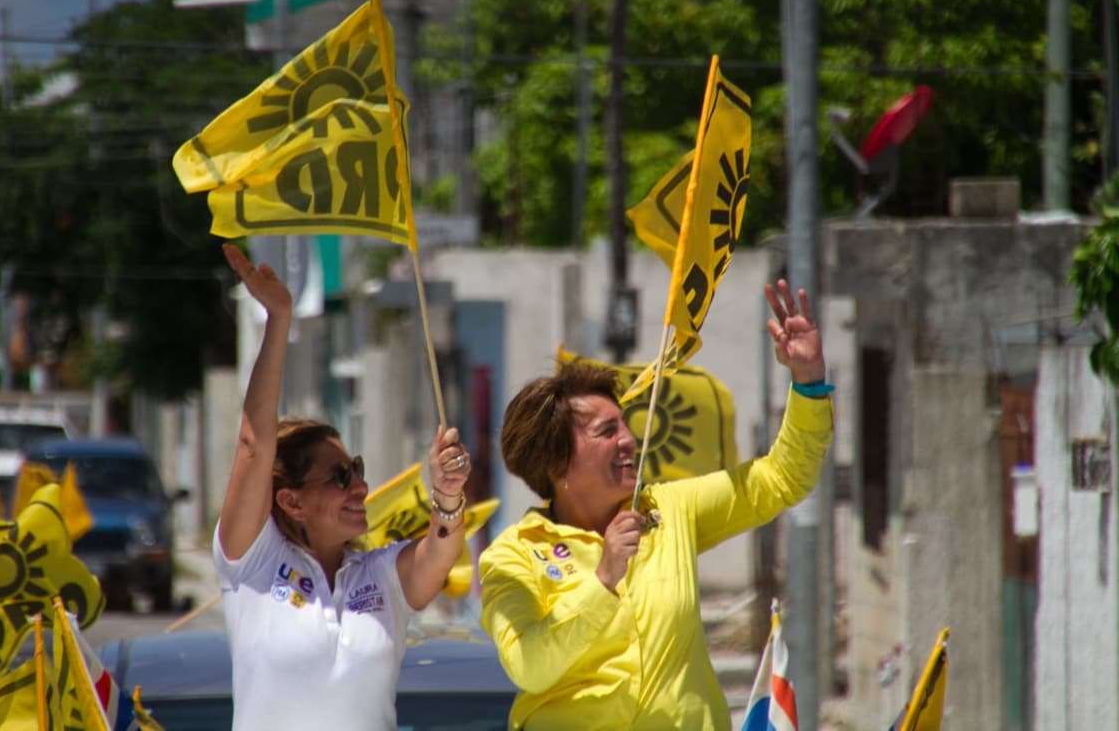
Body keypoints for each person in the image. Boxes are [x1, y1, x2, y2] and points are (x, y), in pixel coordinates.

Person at [479, 279, 834, 730]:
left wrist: (807, 381)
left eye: (625, 425)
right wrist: (604, 579)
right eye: (607, 432)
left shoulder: (669, 509)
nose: (629, 439)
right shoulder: (511, 555)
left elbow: (781, 479)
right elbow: (529, 666)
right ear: (557, 461)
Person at [213, 243, 472, 731]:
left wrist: (449, 492)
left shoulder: (380, 576)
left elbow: (439, 554)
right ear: (291, 500)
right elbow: (253, 446)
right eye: (339, 477)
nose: (361, 486)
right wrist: (279, 320)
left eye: (356, 468)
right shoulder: (253, 563)